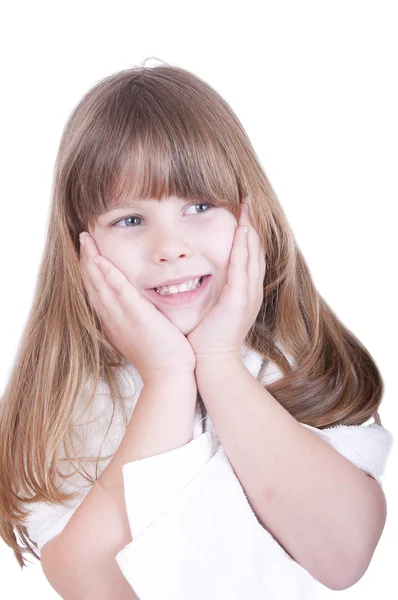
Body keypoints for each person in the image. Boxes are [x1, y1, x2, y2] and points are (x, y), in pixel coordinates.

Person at [0, 59, 393, 599]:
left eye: (200, 206)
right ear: (80, 247)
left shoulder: (291, 364)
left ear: (250, 217)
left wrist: (219, 364)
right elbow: (95, 587)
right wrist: (166, 380)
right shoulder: (67, 404)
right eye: (130, 220)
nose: (171, 248)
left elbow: (344, 556)